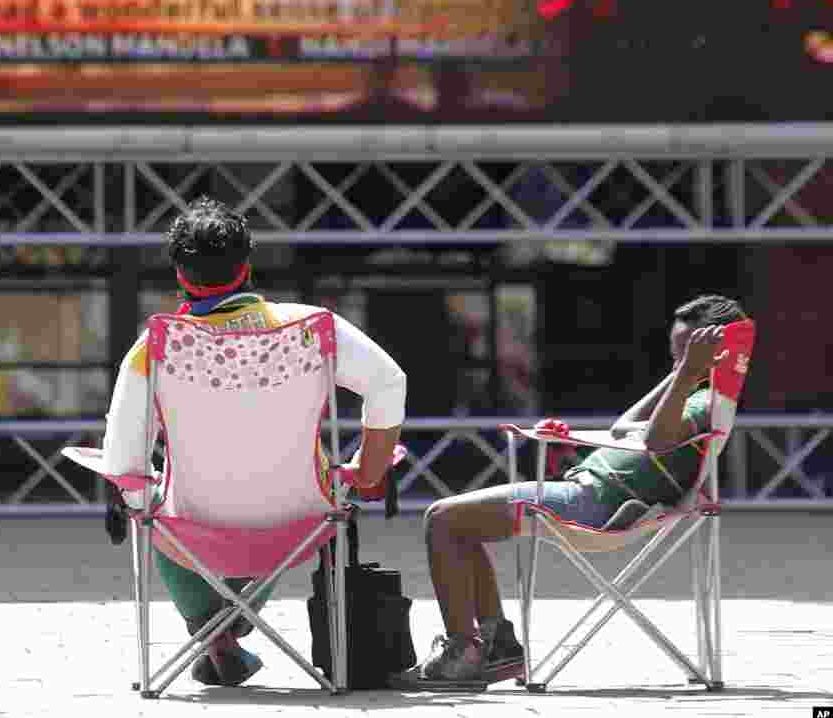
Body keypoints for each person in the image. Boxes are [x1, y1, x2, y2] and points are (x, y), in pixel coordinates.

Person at [101, 196, 406, 687]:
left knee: (150, 502)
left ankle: (216, 634)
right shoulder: (312, 328)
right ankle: (229, 628)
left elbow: (122, 457)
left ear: (181, 275)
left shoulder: (154, 348)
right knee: (282, 505)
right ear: (246, 266)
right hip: (299, 524)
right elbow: (390, 382)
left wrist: (137, 501)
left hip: (191, 531)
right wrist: (368, 473)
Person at [391, 292, 747, 691]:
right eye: (675, 354)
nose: (678, 363)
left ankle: (462, 655)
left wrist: (686, 375)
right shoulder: (691, 391)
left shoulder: (703, 402)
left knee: (441, 519)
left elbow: (657, 439)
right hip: (588, 491)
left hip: (595, 504)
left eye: (687, 353)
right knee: (460, 525)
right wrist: (683, 370)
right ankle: (498, 646)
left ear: (714, 352)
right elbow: (621, 430)